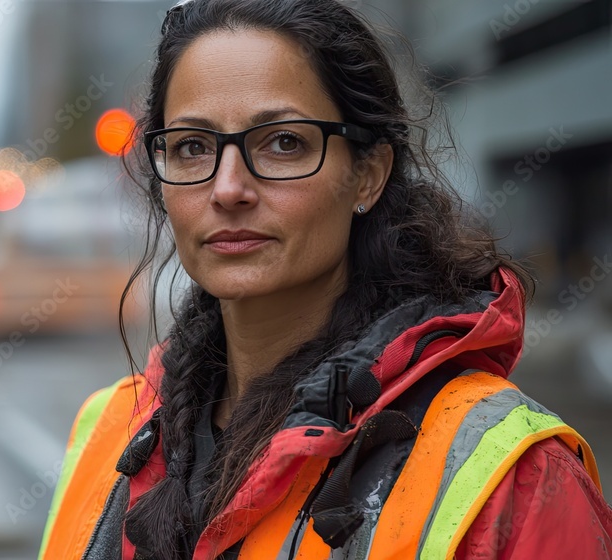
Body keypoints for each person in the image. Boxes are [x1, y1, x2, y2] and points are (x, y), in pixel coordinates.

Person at [37, 1, 612, 559]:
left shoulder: (513, 477)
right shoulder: (106, 430)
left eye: (284, 142)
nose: (228, 188)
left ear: (368, 175)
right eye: (192, 147)